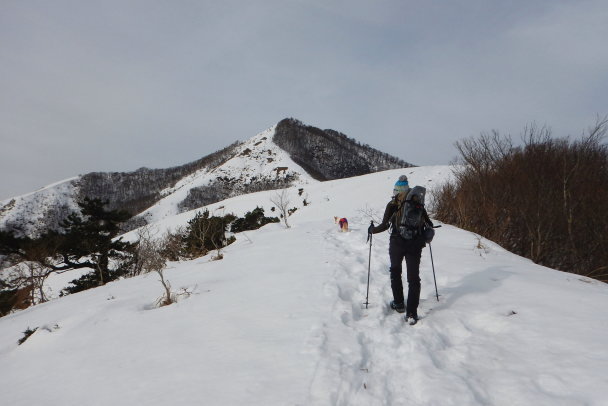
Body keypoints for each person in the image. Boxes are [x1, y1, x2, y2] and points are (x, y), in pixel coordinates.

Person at [368, 175, 433, 323]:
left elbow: (384, 226)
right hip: (415, 244)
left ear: (397, 190)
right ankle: (411, 314)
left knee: (396, 271)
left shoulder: (393, 203)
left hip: (397, 242)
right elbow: (429, 224)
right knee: (413, 278)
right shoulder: (417, 203)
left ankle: (398, 304)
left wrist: (372, 230)